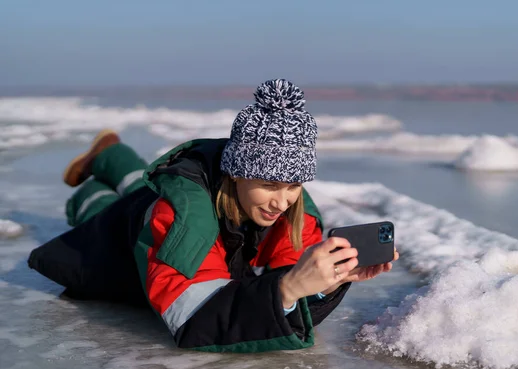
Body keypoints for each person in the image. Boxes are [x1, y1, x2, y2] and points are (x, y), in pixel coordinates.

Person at [28, 79, 397, 352]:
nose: (282, 201)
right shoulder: (181, 217)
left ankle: (110, 154)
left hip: (165, 202)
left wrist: (322, 285)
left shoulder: (292, 206)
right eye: (269, 185)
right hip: (123, 244)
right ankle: (93, 185)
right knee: (108, 210)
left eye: (293, 184)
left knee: (141, 187)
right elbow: (194, 319)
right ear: (235, 172)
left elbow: (284, 278)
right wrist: (288, 288)